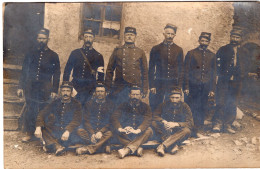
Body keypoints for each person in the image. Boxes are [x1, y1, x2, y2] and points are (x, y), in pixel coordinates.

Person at [17, 28, 61, 142]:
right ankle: (29, 133)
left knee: (43, 109)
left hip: (45, 87)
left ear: (48, 39)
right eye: (39, 38)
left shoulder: (53, 55)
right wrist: (20, 87)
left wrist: (54, 90)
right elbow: (24, 71)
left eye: (44, 38)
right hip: (31, 86)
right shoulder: (30, 54)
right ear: (37, 39)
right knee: (30, 108)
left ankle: (43, 133)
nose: (41, 40)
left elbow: (57, 74)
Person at [213, 27, 249, 134]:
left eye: (237, 37)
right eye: (233, 36)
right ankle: (217, 123)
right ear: (230, 37)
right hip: (224, 80)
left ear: (240, 38)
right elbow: (216, 64)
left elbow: (247, 66)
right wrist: (220, 75)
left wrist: (242, 75)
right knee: (221, 101)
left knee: (233, 102)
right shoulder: (223, 49)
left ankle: (228, 124)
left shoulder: (244, 51)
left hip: (237, 82)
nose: (234, 39)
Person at [34, 81, 82, 156]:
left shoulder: (77, 104)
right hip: (57, 130)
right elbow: (42, 113)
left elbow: (77, 120)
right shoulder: (55, 102)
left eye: (68, 91)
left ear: (71, 92)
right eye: (63, 91)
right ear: (60, 92)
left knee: (79, 134)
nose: (65, 93)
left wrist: (68, 131)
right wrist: (38, 127)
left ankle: (53, 145)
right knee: (43, 129)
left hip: (70, 132)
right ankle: (58, 147)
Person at [105, 27, 148, 105]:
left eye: (131, 35)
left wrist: (144, 89)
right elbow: (109, 70)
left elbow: (145, 72)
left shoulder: (140, 52)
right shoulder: (118, 51)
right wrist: (108, 87)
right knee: (119, 108)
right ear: (124, 36)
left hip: (134, 86)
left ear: (135, 37)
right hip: (120, 86)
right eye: (127, 34)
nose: (129, 37)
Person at [183, 32, 216, 135]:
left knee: (202, 107)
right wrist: (186, 86)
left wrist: (212, 89)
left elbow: (213, 74)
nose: (204, 42)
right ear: (199, 41)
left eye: (206, 41)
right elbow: (186, 71)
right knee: (191, 107)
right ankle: (189, 129)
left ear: (209, 42)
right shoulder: (191, 53)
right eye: (202, 40)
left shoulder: (212, 55)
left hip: (205, 87)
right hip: (193, 87)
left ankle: (199, 128)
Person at [63, 28, 104, 106]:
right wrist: (66, 85)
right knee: (73, 107)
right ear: (83, 38)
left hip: (89, 88)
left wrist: (97, 89)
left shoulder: (98, 56)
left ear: (94, 38)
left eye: (90, 37)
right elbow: (67, 70)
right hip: (75, 86)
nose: (88, 39)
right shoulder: (75, 53)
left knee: (87, 108)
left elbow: (101, 75)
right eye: (86, 37)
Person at [149, 24, 184, 112]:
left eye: (172, 34)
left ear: (175, 35)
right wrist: (152, 85)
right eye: (168, 33)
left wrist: (179, 86)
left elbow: (181, 70)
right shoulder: (156, 48)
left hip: (172, 83)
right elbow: (151, 68)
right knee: (156, 104)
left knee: (170, 105)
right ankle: (155, 123)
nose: (170, 36)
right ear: (163, 34)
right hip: (159, 82)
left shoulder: (178, 50)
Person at [111, 86, 153, 159]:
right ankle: (136, 148)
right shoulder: (122, 105)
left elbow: (147, 120)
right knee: (114, 130)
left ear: (141, 95)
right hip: (126, 133)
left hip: (139, 134)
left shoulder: (146, 107)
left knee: (149, 130)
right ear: (129, 95)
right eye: (133, 94)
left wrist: (138, 130)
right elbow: (114, 118)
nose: (135, 97)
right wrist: (121, 129)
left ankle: (127, 150)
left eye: (137, 95)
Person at [153, 87, 193, 156]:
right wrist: (164, 121)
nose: (174, 100)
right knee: (154, 123)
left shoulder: (185, 106)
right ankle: (173, 146)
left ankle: (163, 146)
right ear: (169, 97)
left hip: (178, 130)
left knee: (187, 131)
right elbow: (155, 116)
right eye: (172, 97)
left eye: (177, 98)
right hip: (166, 129)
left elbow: (190, 123)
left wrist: (176, 124)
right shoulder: (164, 105)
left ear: (180, 98)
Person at [76, 83, 115, 155]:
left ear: (106, 93)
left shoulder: (111, 104)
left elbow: (111, 122)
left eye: (102, 91)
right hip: (91, 132)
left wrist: (101, 132)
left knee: (110, 133)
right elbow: (86, 121)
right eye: (98, 91)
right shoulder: (89, 104)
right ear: (94, 93)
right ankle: (102, 147)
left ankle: (90, 148)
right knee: (80, 131)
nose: (100, 93)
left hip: (103, 133)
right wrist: (92, 133)